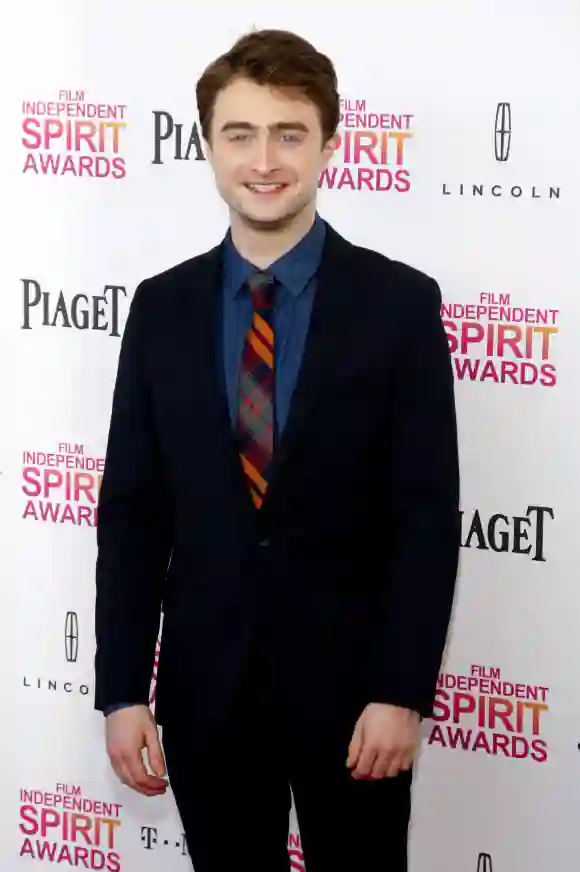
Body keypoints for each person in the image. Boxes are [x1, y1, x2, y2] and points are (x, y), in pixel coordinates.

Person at [94, 27, 461, 872]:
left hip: (356, 701)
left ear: (330, 144)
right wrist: (121, 690)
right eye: (240, 133)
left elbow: (426, 515)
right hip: (205, 691)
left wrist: (403, 691)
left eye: (289, 133)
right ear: (209, 146)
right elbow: (134, 516)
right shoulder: (161, 309)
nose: (265, 159)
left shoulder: (399, 305)